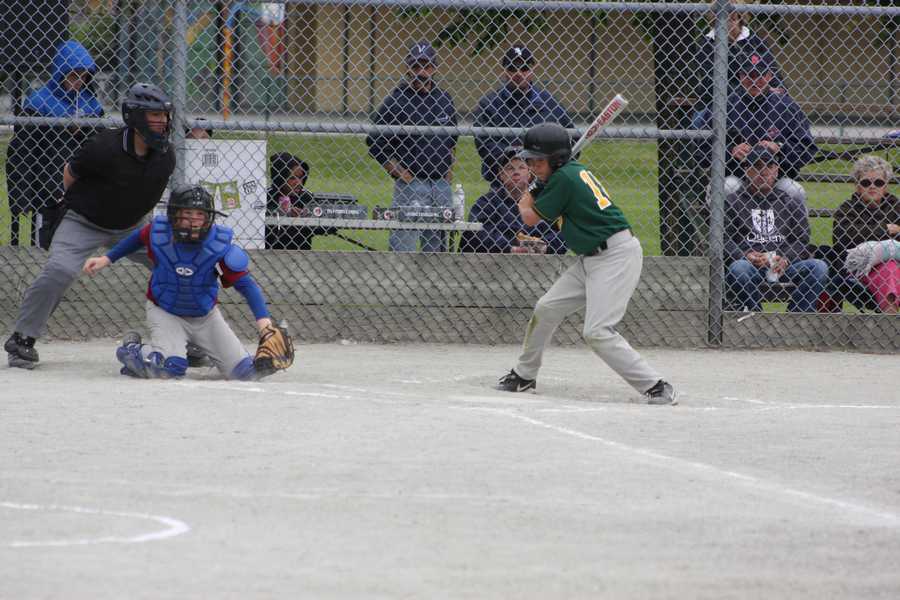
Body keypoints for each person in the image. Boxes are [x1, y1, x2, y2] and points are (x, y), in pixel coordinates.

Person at [495, 123, 677, 405]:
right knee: (547, 308)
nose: (532, 166)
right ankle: (524, 375)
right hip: (591, 258)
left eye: (538, 161)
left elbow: (528, 217)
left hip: (615, 256)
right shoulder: (565, 174)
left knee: (597, 332)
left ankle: (657, 385)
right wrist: (540, 183)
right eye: (530, 161)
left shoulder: (564, 178)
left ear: (557, 159)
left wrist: (529, 191)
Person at [4, 82, 175, 369]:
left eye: (165, 115)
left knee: (175, 263)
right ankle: (22, 338)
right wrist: (79, 205)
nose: (163, 121)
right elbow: (70, 174)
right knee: (60, 269)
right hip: (84, 221)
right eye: (154, 115)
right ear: (135, 116)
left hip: (131, 225)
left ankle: (191, 339)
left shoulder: (166, 156)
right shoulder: (105, 147)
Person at [82, 186, 279, 380]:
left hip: (205, 317)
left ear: (209, 217)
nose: (193, 220)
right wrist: (106, 259)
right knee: (169, 368)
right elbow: (135, 239)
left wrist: (265, 326)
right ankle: (132, 350)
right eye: (187, 214)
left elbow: (247, 286)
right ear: (174, 215)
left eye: (200, 214)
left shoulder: (218, 246)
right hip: (165, 312)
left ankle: (195, 352)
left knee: (246, 373)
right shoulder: (159, 233)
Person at [4, 40, 104, 247]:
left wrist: (83, 129)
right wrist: (21, 196)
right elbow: (22, 152)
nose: (79, 81)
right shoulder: (38, 102)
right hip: (47, 192)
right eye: (73, 76)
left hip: (82, 192)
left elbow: (100, 148)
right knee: (46, 247)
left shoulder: (91, 104)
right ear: (60, 73)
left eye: (84, 76)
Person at [366, 41, 459, 252]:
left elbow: (452, 140)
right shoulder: (396, 101)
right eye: (415, 67)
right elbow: (374, 142)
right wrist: (398, 172)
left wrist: (449, 172)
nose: (421, 72)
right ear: (407, 69)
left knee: (436, 249)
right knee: (403, 246)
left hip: (441, 185)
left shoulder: (444, 99)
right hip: (412, 185)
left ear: (434, 68)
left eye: (426, 66)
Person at [724, 146, 827, 312]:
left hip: (782, 265)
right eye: (757, 166)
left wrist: (785, 259)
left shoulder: (790, 202)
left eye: (769, 166)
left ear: (776, 170)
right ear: (747, 170)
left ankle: (797, 318)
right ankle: (756, 316)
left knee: (819, 267)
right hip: (751, 264)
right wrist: (746, 255)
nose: (763, 171)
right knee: (738, 268)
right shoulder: (732, 201)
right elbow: (724, 239)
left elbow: (801, 239)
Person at [473, 45, 573, 186]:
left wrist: (541, 162)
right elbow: (484, 144)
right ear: (504, 71)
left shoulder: (550, 103)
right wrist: (516, 161)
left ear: (532, 70)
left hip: (543, 182)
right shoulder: (489, 104)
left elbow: (571, 138)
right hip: (504, 183)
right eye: (512, 68)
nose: (518, 73)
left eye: (524, 68)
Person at [690, 0, 785, 128]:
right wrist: (748, 91)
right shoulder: (706, 45)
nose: (728, 24)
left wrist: (776, 90)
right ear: (714, 21)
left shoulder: (756, 42)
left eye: (732, 19)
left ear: (740, 19)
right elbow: (712, 83)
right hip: (717, 104)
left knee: (785, 110)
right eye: (722, 19)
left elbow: (773, 73)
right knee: (698, 122)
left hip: (760, 101)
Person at [825, 155, 900, 313]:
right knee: (889, 269)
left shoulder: (897, 207)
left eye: (878, 182)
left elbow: (857, 235)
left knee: (891, 268)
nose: (872, 186)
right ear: (857, 186)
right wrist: (885, 230)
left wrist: (868, 234)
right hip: (861, 269)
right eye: (866, 183)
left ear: (886, 186)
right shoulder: (847, 209)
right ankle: (890, 323)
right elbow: (844, 238)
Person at [460, 147, 566, 254]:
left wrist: (544, 246)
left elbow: (562, 233)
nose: (516, 172)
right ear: (501, 174)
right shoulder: (487, 202)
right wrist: (510, 248)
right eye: (510, 168)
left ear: (529, 173)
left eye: (521, 167)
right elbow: (477, 232)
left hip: (539, 260)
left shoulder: (543, 201)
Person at [265, 152, 322, 250]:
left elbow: (321, 228)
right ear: (280, 178)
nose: (298, 183)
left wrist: (306, 217)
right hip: (270, 251)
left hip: (301, 252)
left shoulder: (307, 197)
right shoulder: (266, 196)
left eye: (301, 177)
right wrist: (282, 214)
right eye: (292, 178)